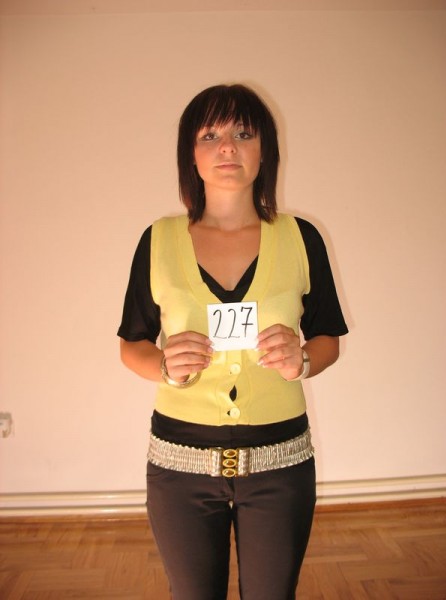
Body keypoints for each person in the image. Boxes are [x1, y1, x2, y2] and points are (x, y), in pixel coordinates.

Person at [117, 83, 348, 600]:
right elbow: (132, 343)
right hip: (180, 464)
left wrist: (302, 359)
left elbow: (328, 337)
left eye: (243, 133)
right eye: (210, 135)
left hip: (281, 463)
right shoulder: (158, 239)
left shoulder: (301, 237)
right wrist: (164, 365)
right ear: (191, 154)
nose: (227, 146)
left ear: (265, 149)